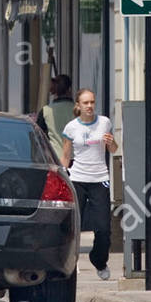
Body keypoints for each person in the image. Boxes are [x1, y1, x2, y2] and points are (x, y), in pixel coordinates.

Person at [61, 87, 118, 281]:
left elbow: (114, 148)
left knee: (103, 228)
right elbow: (66, 155)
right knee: (73, 226)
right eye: (85, 103)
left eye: (92, 102)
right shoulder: (71, 127)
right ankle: (69, 261)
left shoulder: (104, 122)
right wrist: (62, 177)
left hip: (100, 179)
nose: (90, 106)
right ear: (78, 105)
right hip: (77, 179)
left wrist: (111, 143)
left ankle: (99, 260)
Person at [37, 73, 75, 160]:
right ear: (69, 89)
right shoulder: (78, 110)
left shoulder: (45, 111)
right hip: (76, 158)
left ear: (54, 91)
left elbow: (39, 136)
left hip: (56, 158)